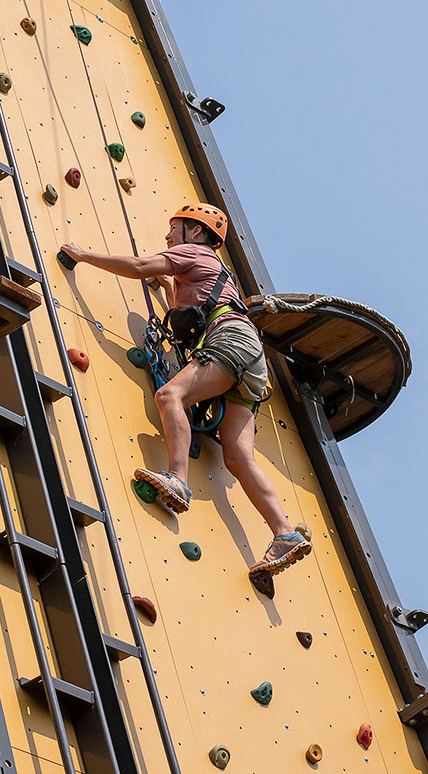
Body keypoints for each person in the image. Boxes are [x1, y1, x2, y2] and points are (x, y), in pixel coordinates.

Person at [60, 203, 311, 578]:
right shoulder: (213, 274)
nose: (167, 237)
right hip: (250, 358)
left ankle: (177, 478)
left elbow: (141, 266)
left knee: (169, 396)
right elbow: (190, 312)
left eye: (174, 228)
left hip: (229, 341)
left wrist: (83, 255)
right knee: (239, 459)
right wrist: (167, 291)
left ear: (195, 232)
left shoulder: (194, 252)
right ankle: (284, 533)